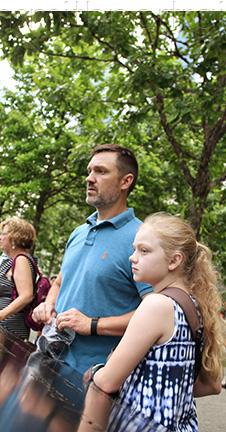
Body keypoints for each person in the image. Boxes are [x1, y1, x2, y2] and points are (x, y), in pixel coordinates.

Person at [86, 213, 226, 432]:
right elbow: (212, 385)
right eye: (134, 249)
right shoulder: (195, 306)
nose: (132, 257)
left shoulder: (156, 305)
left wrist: (95, 371)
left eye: (144, 251)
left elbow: (108, 382)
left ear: (174, 261)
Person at [32, 144, 153, 374]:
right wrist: (48, 305)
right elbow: (60, 282)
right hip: (46, 360)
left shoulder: (143, 238)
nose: (89, 178)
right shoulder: (79, 231)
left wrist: (92, 324)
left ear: (126, 181)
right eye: (89, 171)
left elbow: (155, 314)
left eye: (101, 171)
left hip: (93, 379)